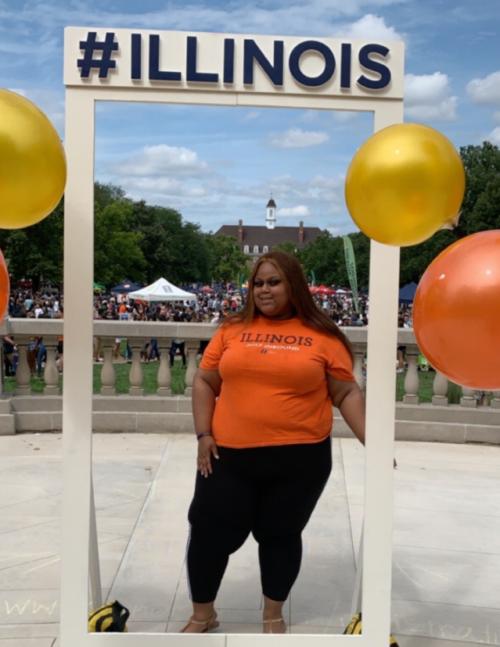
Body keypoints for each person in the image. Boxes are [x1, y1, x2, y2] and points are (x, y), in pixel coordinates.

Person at [183, 251, 365, 635]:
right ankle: (203, 615)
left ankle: (272, 617)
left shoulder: (324, 336)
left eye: (274, 281)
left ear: (293, 284)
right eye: (259, 282)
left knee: (280, 536)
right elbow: (205, 381)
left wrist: (376, 444)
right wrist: (204, 434)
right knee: (208, 534)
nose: (264, 289)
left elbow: (346, 392)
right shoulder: (232, 329)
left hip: (299, 461)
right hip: (227, 456)